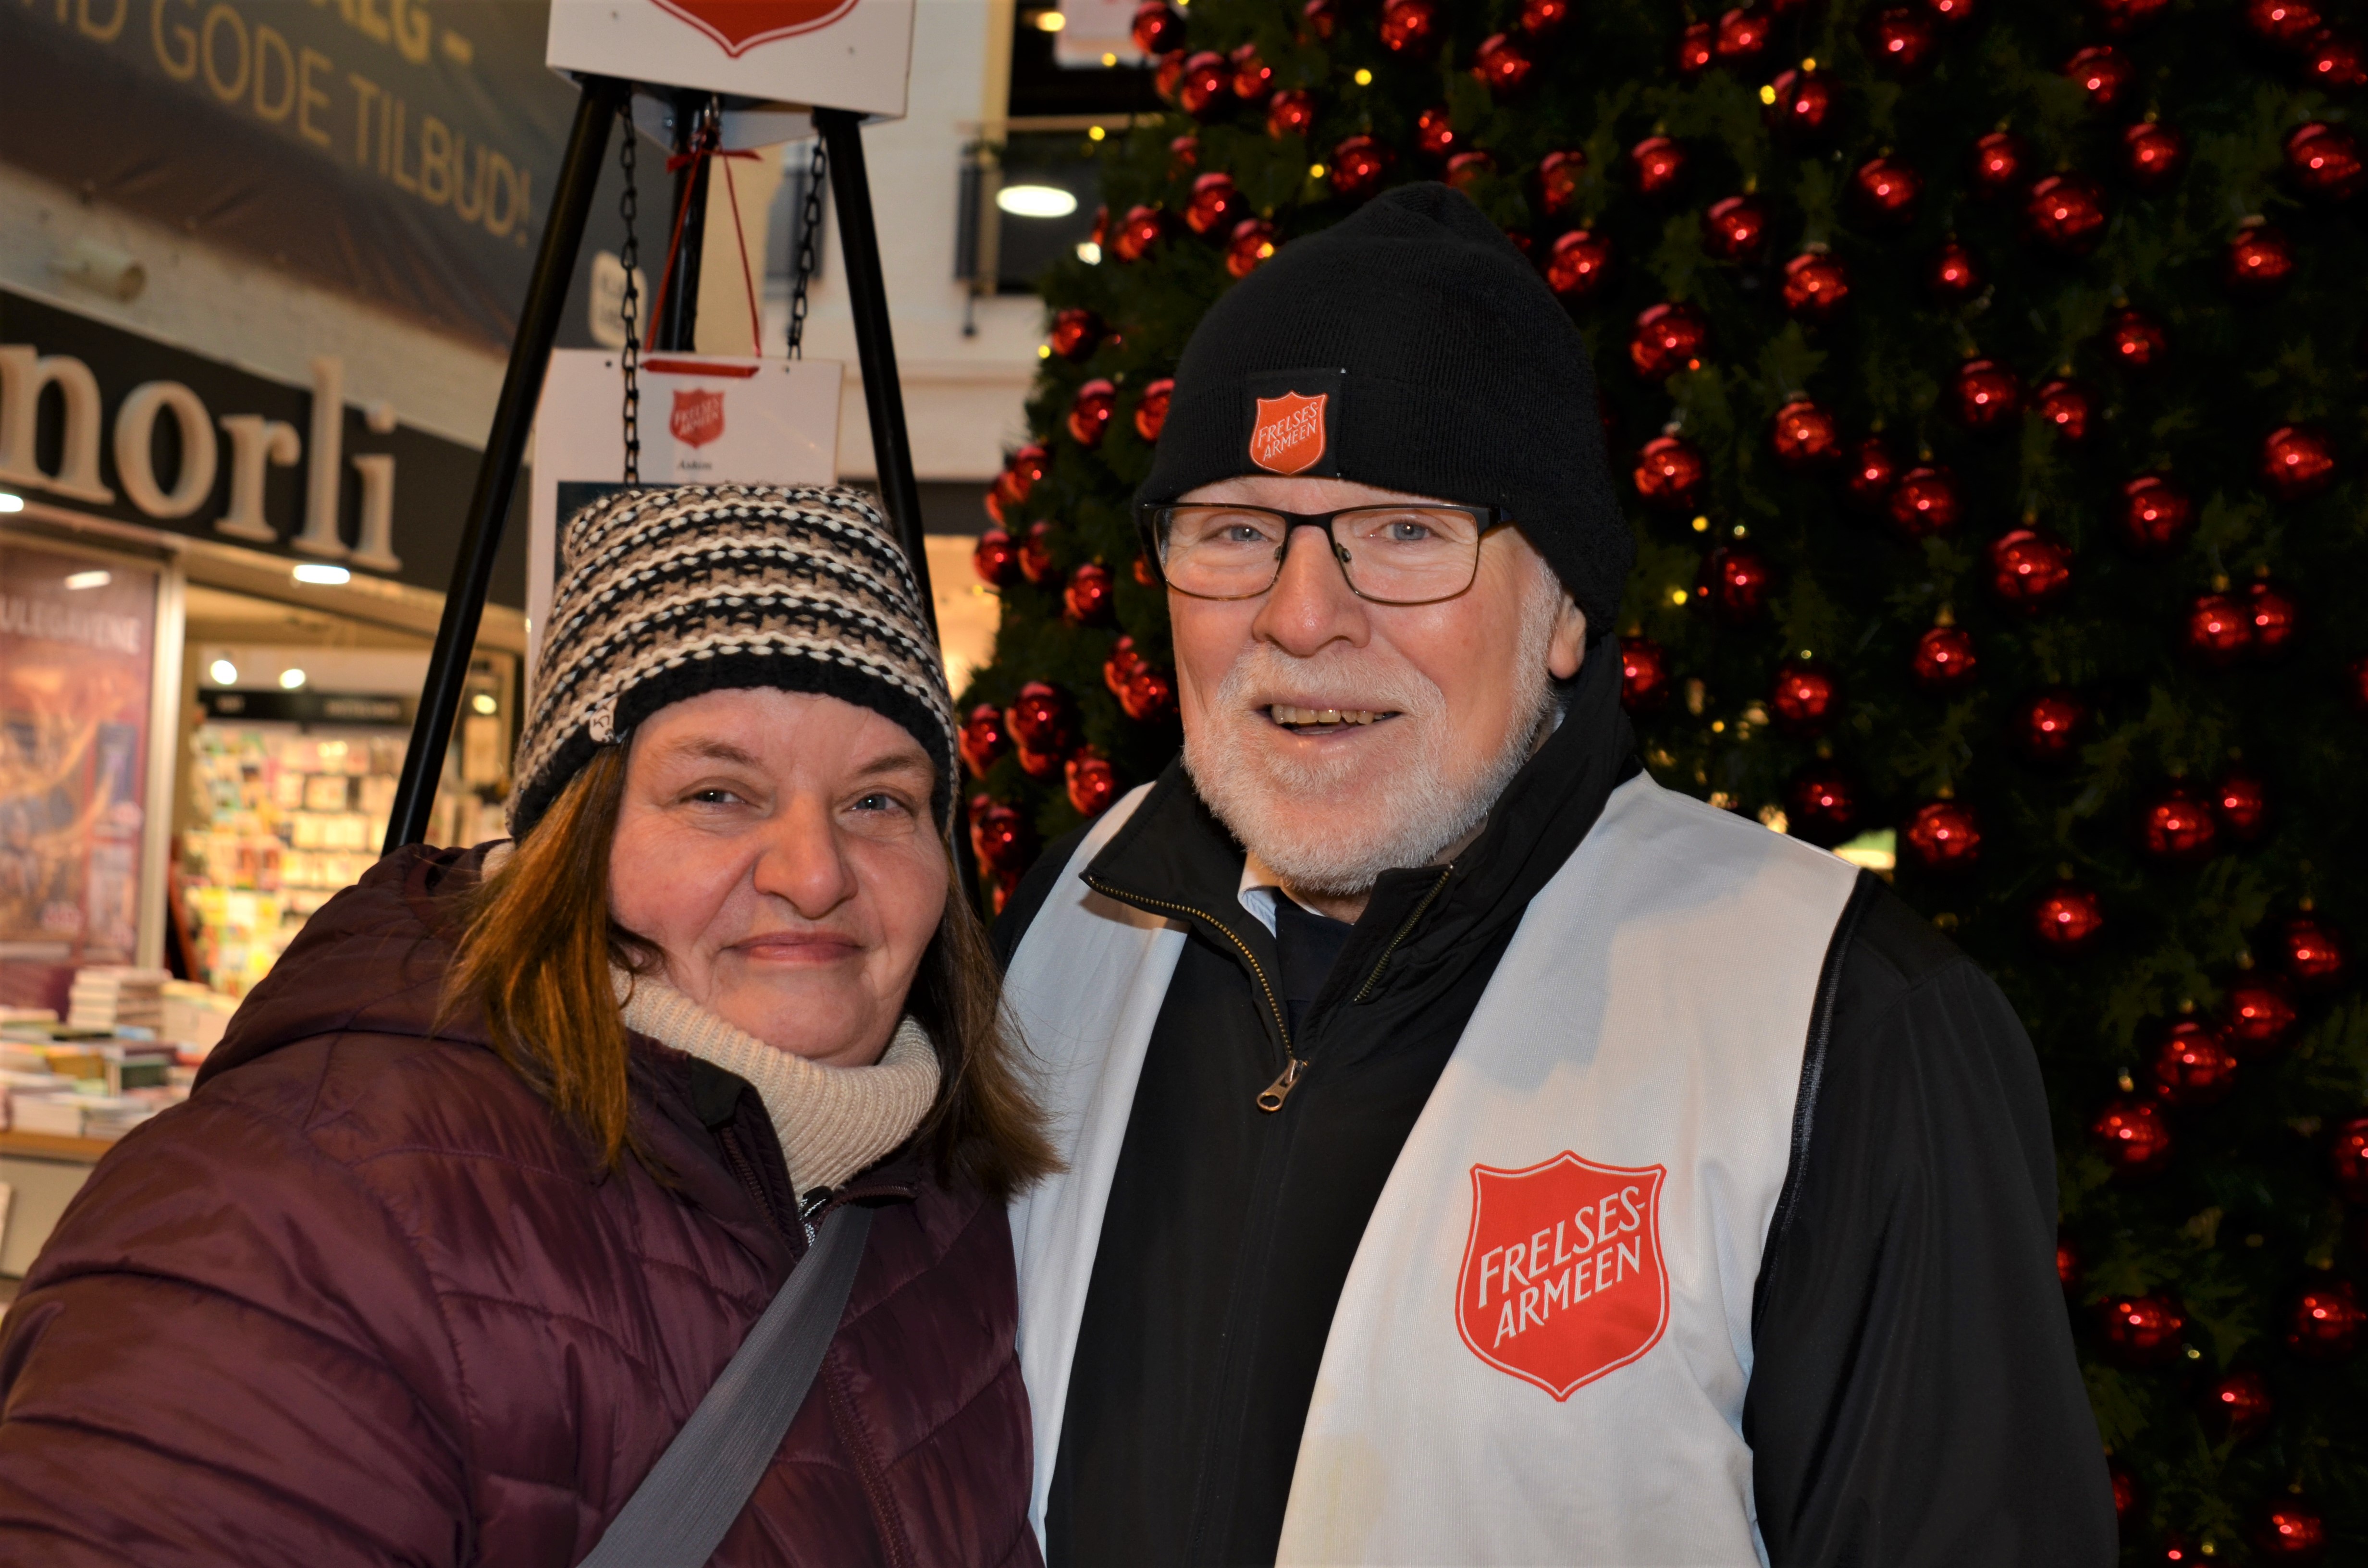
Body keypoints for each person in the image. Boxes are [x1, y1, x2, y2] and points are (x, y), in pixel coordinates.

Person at [994, 185, 2114, 1567]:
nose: (1300, 615)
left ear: (1570, 609)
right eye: (1233, 529)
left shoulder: (1844, 1021)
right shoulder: (1067, 927)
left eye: (1408, 531)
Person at [0, 484, 1055, 1567]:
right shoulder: (291, 1218)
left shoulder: (940, 1212)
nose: (816, 873)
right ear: (573, 838)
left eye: (879, 801)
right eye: (716, 796)